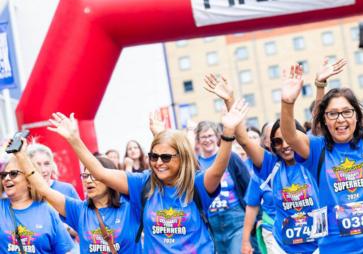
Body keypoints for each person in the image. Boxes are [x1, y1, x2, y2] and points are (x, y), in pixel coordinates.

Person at [47, 102, 247, 253]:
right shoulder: (142, 183)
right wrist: (74, 139)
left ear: (182, 158)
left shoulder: (196, 185)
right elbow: (100, 173)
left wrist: (228, 134)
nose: (158, 162)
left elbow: (217, 171)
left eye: (166, 157)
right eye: (154, 156)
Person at [280, 53, 363, 253]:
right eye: (332, 114)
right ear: (324, 120)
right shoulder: (317, 149)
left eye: (347, 112)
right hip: (337, 247)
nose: (340, 119)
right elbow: (290, 135)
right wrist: (287, 103)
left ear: (357, 117)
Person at [204, 74, 321, 254]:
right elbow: (243, 139)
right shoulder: (270, 165)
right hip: (283, 247)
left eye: (288, 139)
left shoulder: (312, 159)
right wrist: (229, 100)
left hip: (319, 246)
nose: (285, 146)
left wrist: (319, 86)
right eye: (278, 142)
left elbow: (319, 127)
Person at [16, 143, 142, 253]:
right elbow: (44, 189)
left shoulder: (131, 206)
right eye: (85, 176)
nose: (88, 180)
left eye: (94, 176)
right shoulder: (79, 210)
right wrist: (21, 156)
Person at [194, 120, 251, 254]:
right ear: (198, 140)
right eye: (203, 137)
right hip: (210, 222)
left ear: (217, 137)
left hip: (235, 217)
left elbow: (248, 186)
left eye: (210, 136)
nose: (207, 140)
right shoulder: (195, 164)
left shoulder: (231, 157)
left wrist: (253, 218)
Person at [0, 153, 74, 253]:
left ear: (29, 181)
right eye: (3, 175)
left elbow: (64, 251)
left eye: (13, 173)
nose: (7, 178)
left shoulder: (48, 211)